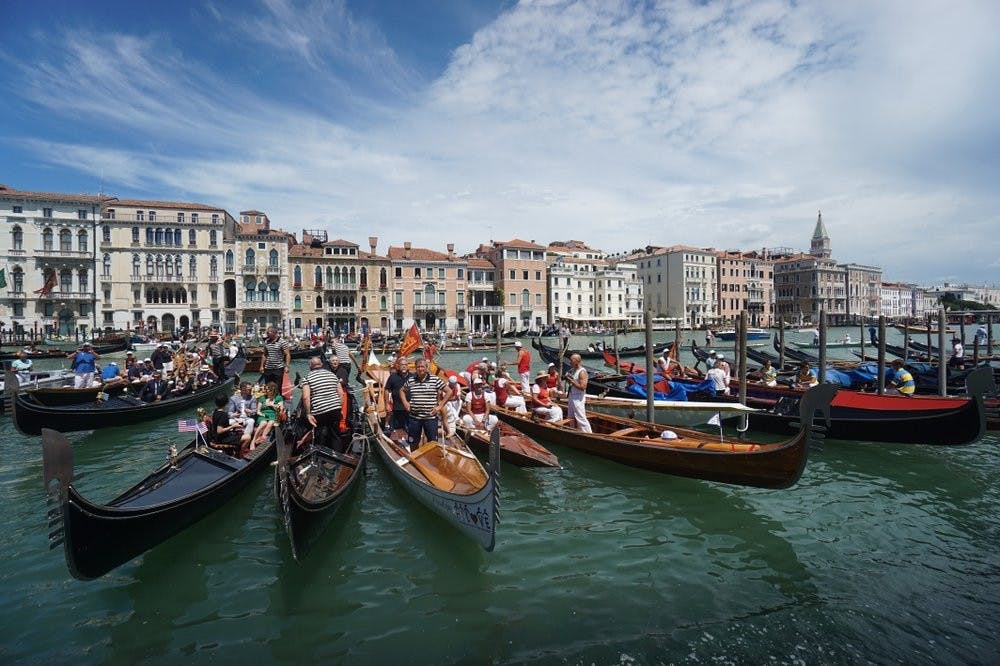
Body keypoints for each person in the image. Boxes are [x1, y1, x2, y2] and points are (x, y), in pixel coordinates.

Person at [399, 358, 447, 449]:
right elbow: (401, 391)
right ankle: (414, 459)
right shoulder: (411, 380)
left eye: (422, 367)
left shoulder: (435, 379)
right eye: (418, 367)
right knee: (413, 442)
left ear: (426, 368)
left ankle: (431, 461)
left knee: (433, 443)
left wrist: (440, 406)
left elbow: (449, 391)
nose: (420, 369)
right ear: (415, 368)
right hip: (414, 418)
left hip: (430, 418)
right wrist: (405, 403)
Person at [301, 356, 345, 451]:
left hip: (319, 410)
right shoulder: (332, 375)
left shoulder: (307, 378)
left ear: (310, 366)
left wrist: (308, 414)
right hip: (335, 409)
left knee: (320, 434)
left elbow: (305, 397)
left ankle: (320, 457)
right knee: (336, 435)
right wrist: (339, 408)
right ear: (322, 365)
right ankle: (338, 457)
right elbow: (341, 394)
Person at [250, 381, 284, 449]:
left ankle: (263, 437)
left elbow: (280, 409)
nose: (266, 391)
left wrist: (272, 405)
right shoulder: (262, 398)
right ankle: (253, 441)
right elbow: (258, 411)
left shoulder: (278, 398)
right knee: (263, 423)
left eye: (268, 389)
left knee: (271, 422)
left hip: (273, 414)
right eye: (266, 389)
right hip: (263, 415)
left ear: (273, 390)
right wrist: (263, 415)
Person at [564, 353, 592, 433]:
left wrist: (571, 381)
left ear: (577, 361)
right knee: (570, 416)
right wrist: (568, 379)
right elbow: (573, 383)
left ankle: (588, 434)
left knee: (581, 417)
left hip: (578, 398)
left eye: (571, 360)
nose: (570, 362)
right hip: (572, 396)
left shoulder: (582, 372)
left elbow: (583, 387)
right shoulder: (573, 370)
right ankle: (573, 432)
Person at [384, 357, 412, 431]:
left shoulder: (413, 377)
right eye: (402, 365)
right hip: (397, 408)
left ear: (408, 366)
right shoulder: (393, 377)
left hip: (410, 408)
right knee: (396, 428)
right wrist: (386, 404)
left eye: (405, 364)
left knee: (409, 428)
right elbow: (387, 390)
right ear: (398, 366)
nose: (404, 366)